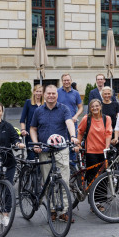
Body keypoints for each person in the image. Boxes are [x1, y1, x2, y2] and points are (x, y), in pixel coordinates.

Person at [30, 85, 79, 222]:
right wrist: (35, 143)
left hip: (61, 150)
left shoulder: (64, 108)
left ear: (57, 95)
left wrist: (73, 136)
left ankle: (64, 211)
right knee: (48, 182)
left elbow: (69, 122)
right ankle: (52, 209)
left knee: (64, 181)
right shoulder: (39, 111)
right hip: (45, 151)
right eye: (49, 93)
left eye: (53, 93)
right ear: (44, 95)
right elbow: (33, 128)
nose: (51, 95)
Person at [77, 98, 113, 184]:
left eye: (97, 106)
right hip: (91, 152)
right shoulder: (86, 119)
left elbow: (108, 133)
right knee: (93, 177)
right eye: (92, 106)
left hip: (103, 151)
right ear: (90, 108)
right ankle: (92, 196)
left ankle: (103, 197)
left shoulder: (107, 118)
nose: (95, 108)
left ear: (101, 107)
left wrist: (107, 147)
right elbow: (80, 132)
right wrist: (78, 143)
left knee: (103, 176)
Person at [20, 84, 44, 159]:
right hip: (30, 132)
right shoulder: (28, 102)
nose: (39, 93)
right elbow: (22, 119)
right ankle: (29, 170)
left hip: (42, 132)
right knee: (31, 155)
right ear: (34, 92)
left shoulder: (45, 104)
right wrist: (23, 130)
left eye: (40, 91)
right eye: (37, 91)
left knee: (42, 155)